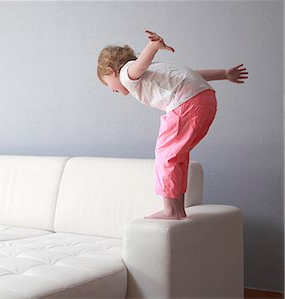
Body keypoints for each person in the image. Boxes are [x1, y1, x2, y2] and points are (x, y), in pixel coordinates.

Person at [97, 30, 248, 220]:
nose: (112, 90)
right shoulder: (155, 70)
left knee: (165, 155)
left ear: (111, 72)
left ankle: (171, 210)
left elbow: (136, 66)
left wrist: (152, 47)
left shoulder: (127, 74)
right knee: (177, 155)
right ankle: (178, 209)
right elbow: (192, 74)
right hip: (205, 100)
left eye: (108, 84)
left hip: (187, 103)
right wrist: (224, 74)